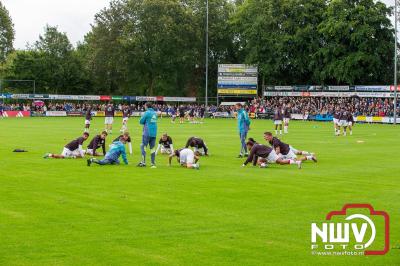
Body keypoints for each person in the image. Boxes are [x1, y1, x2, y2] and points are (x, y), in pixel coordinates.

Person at [137, 102, 158, 168]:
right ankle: (153, 163)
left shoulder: (147, 112)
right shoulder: (155, 113)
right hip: (154, 133)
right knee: (152, 148)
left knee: (143, 146)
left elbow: (141, 121)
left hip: (147, 132)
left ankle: (143, 162)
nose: (144, 107)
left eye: (145, 106)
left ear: (146, 106)